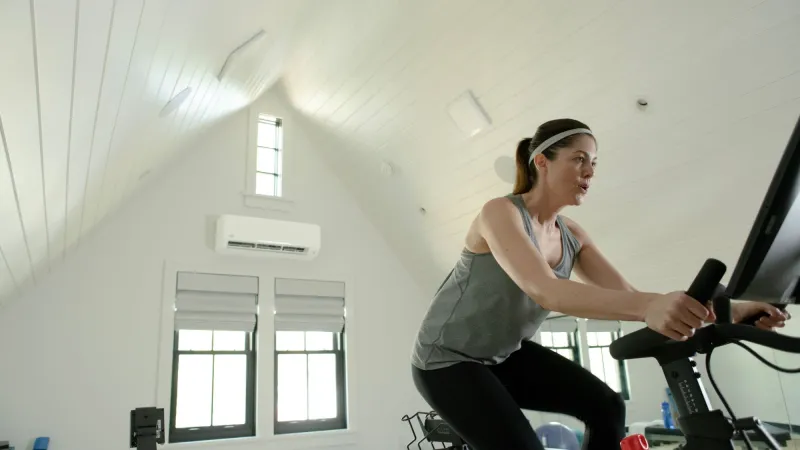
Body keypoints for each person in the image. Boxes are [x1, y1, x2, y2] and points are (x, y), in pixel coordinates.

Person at [410, 118, 792, 450]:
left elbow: (627, 297)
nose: (590, 172)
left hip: (505, 355)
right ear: (542, 161)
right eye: (579, 160)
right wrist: (649, 307)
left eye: (594, 163)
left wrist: (732, 310)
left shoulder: (572, 234)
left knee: (607, 406)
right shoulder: (501, 213)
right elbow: (547, 290)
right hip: (448, 359)